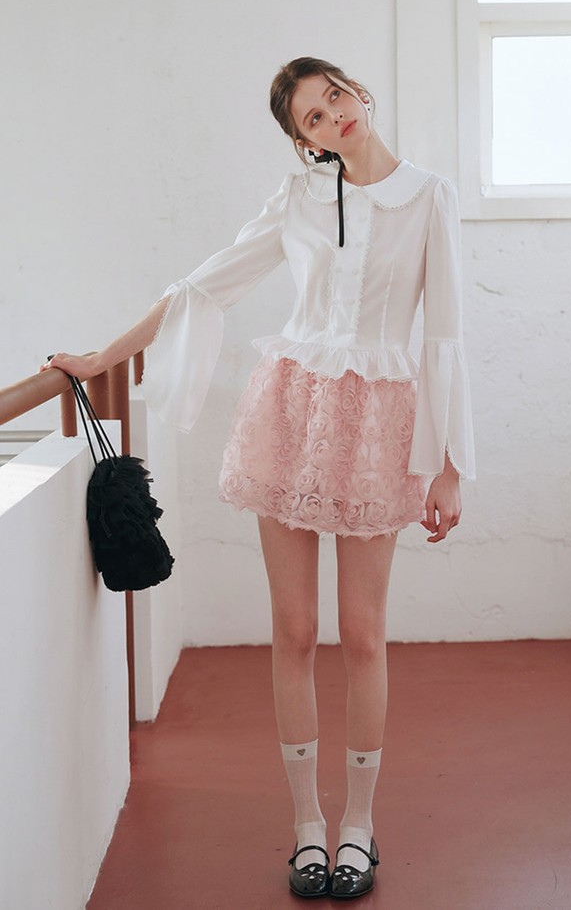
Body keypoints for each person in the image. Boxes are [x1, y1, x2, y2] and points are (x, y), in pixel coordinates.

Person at [44, 57, 475, 900]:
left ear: (357, 92)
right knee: (294, 628)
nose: (333, 116)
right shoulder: (299, 199)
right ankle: (307, 826)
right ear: (305, 142)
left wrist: (450, 465)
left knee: (363, 633)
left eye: (334, 96)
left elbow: (447, 335)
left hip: (378, 426)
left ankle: (359, 825)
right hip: (289, 412)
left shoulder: (431, 196)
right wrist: (102, 357)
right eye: (312, 117)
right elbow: (206, 283)